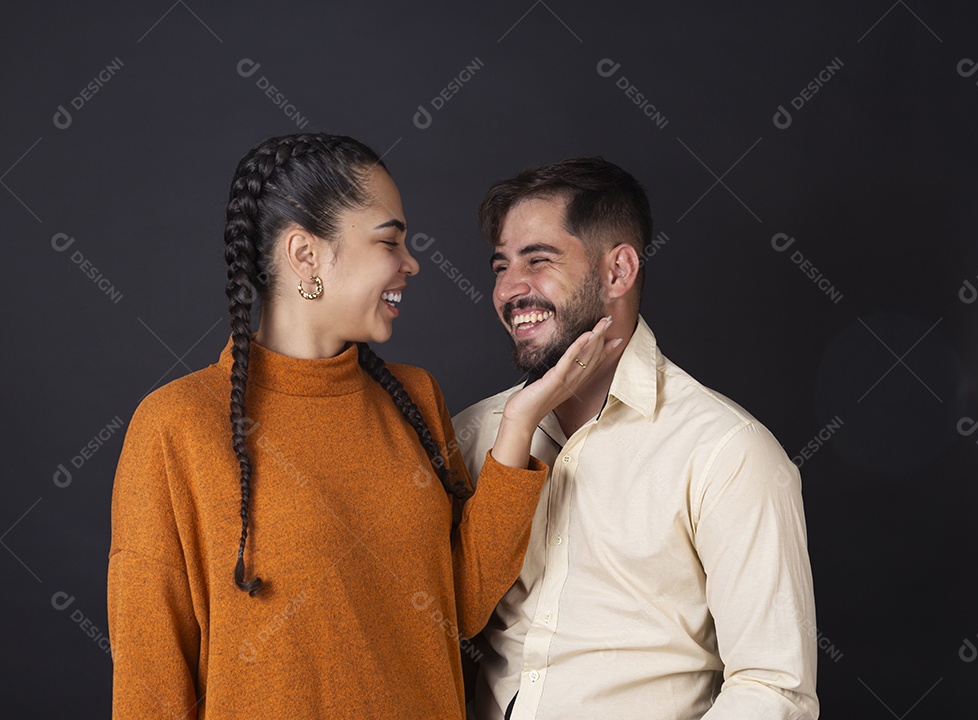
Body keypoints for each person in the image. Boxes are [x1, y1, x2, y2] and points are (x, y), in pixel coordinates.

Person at [107, 134, 618, 719]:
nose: (411, 263)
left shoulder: (414, 399)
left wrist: (519, 424)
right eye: (388, 240)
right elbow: (151, 684)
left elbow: (459, 608)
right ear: (306, 255)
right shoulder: (177, 425)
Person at [453, 157, 819, 719]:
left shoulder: (726, 451)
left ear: (618, 272)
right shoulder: (474, 435)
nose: (508, 290)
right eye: (501, 266)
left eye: (538, 261)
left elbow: (772, 687)